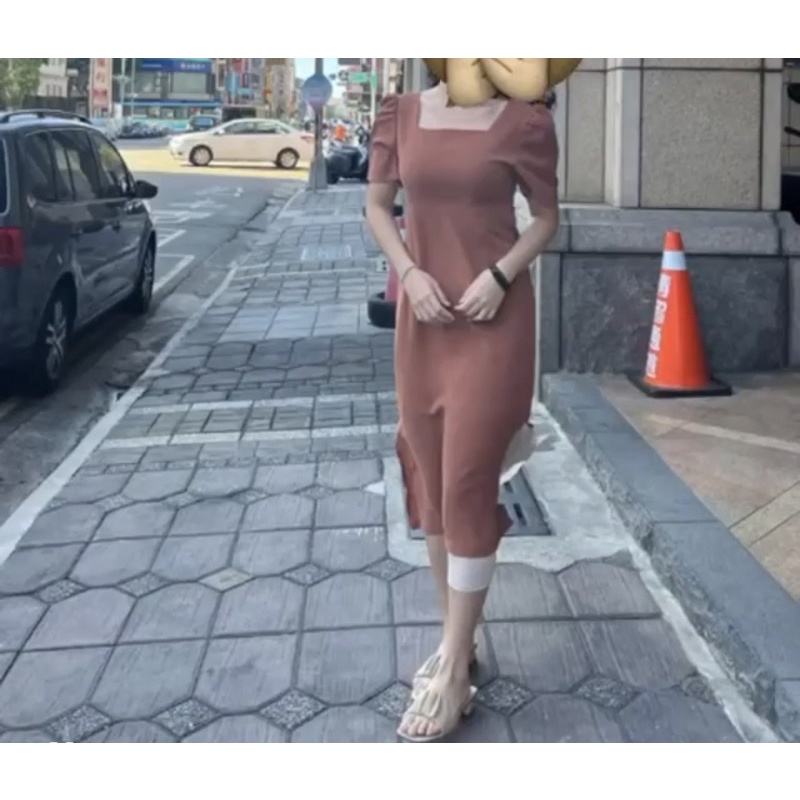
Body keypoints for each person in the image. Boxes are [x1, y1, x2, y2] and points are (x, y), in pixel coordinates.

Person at [365, 59, 579, 743]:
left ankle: (455, 670)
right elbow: (378, 207)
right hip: (423, 321)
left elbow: (545, 218)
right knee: (430, 486)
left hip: (493, 321)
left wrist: (500, 275)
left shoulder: (525, 123)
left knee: (465, 484)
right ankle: (460, 638)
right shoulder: (400, 114)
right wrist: (409, 275)